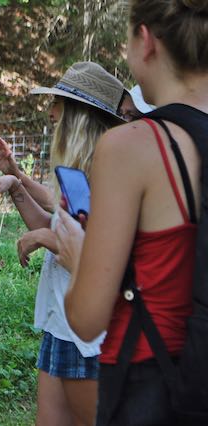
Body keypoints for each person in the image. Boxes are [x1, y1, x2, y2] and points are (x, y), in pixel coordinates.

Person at [55, 1, 208, 424]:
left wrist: (78, 255)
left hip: (152, 389)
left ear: (145, 41)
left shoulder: (133, 147)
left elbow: (86, 320)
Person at [0, 62, 126, 426]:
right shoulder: (76, 170)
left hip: (88, 334)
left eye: (58, 104)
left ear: (77, 115)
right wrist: (15, 181)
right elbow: (56, 221)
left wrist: (46, 237)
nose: (51, 112)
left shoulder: (110, 172)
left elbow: (95, 257)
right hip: (60, 324)